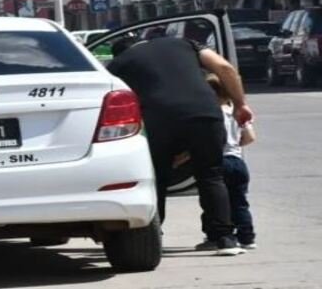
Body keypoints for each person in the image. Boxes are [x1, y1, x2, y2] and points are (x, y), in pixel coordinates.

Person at [108, 36, 254, 256]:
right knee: (211, 176)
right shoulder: (184, 43)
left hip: (158, 119)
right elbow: (225, 67)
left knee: (157, 179)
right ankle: (224, 239)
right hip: (205, 114)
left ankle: (153, 235)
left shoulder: (118, 64)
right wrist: (240, 104)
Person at [192, 74, 258, 251]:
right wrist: (235, 144)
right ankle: (247, 237)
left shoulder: (210, 115)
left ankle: (215, 236)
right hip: (237, 162)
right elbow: (250, 137)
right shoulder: (236, 111)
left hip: (218, 162)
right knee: (239, 201)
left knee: (214, 201)